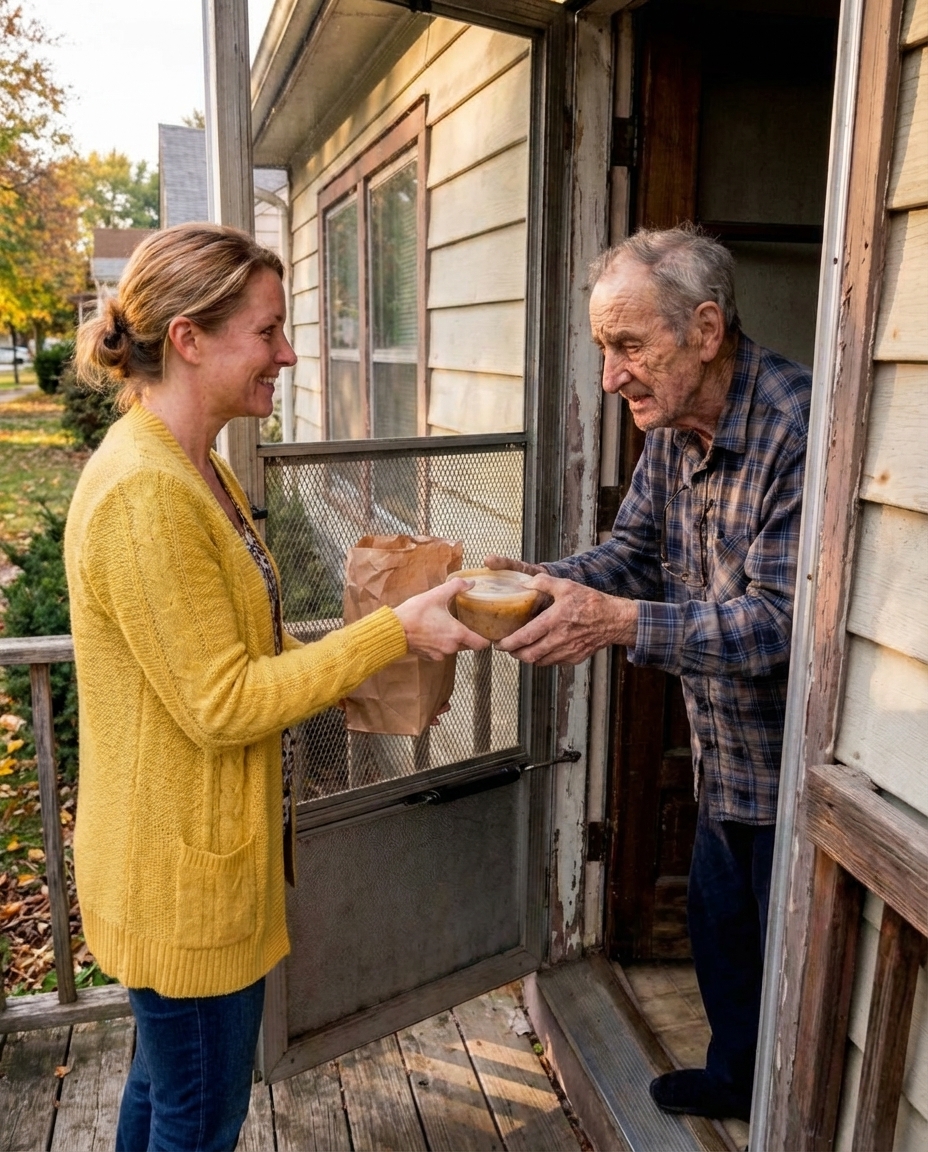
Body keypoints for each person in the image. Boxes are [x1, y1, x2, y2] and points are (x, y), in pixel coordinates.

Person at [65, 223, 488, 1152]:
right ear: (188, 337)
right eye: (267, 331)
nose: (289, 353)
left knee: (163, 1091)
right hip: (183, 882)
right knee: (200, 1116)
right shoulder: (148, 491)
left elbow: (235, 645)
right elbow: (221, 705)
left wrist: (364, 652)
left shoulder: (196, 464)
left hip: (186, 865)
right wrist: (387, 632)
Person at [489, 225, 810, 1122]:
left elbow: (779, 625)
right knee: (721, 936)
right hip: (725, 758)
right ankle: (735, 1081)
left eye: (629, 346)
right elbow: (633, 551)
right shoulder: (673, 425)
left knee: (788, 956)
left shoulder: (796, 428)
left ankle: (775, 1108)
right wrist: (532, 585)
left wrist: (620, 623)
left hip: (796, 774)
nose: (611, 376)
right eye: (604, 348)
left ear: (705, 330)